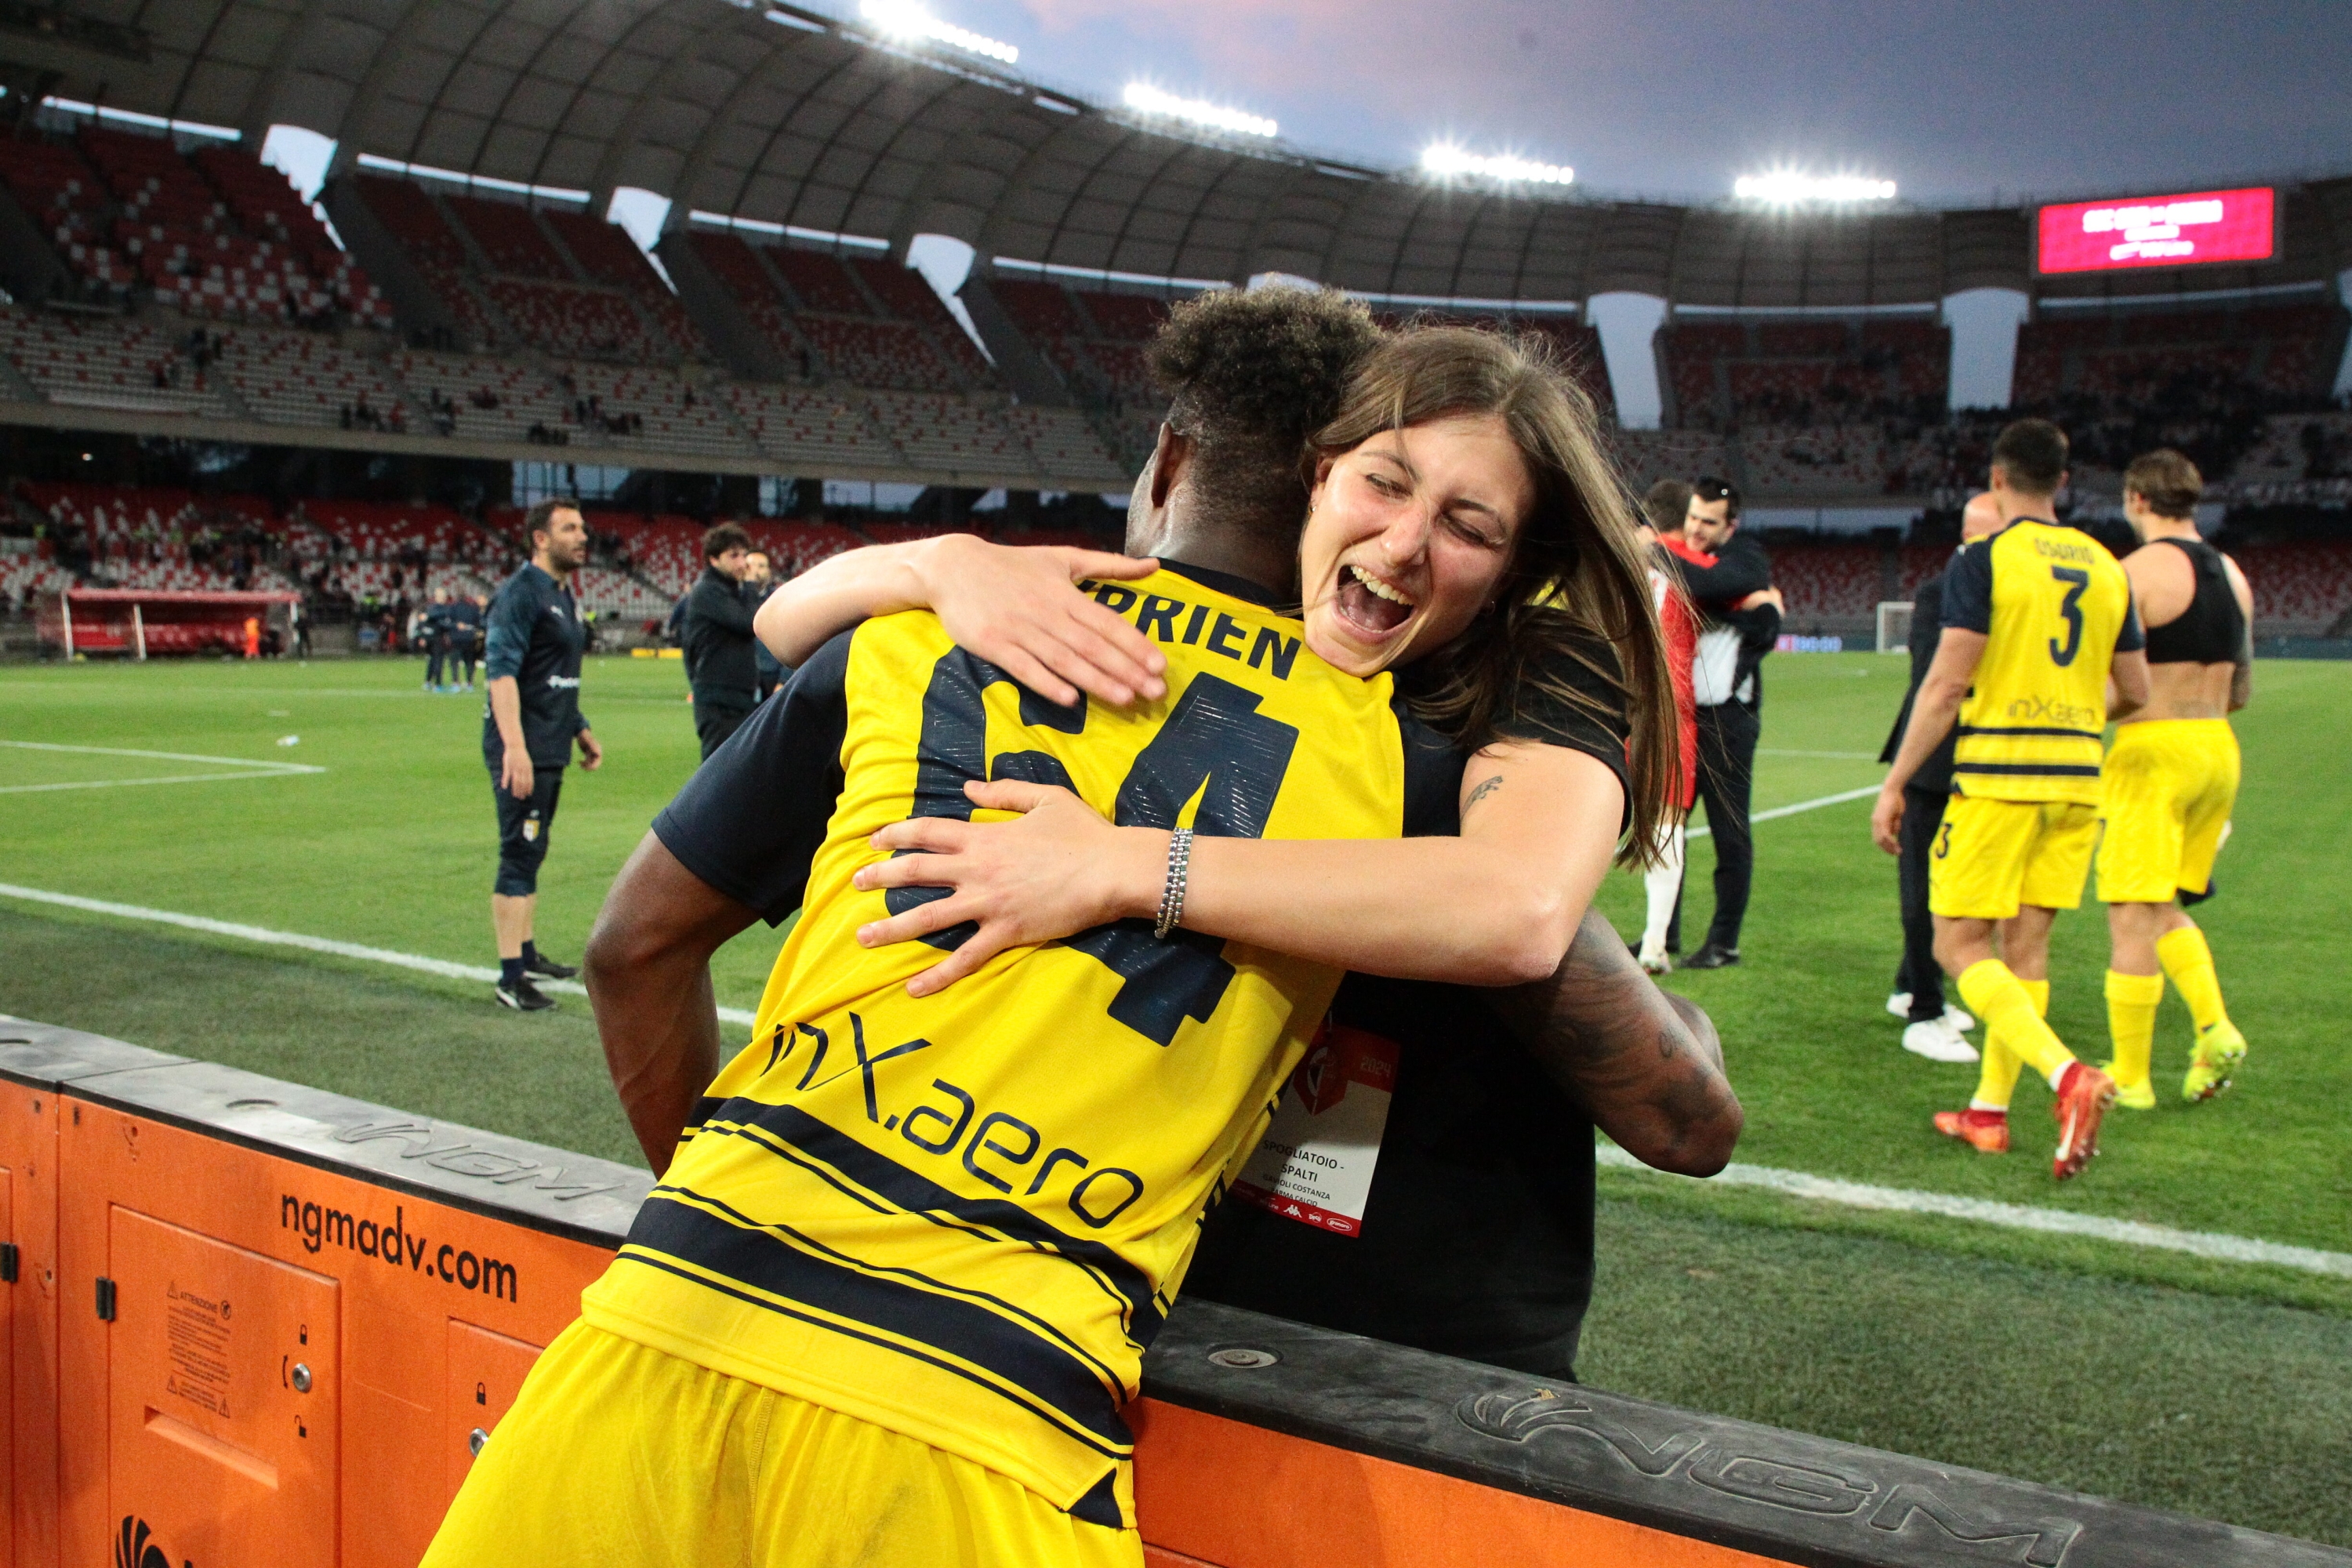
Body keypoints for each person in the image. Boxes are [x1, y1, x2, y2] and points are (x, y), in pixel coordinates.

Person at [425, 307, 1682, 1568]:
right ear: (1323, 481)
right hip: (987, 1404)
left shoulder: (917, 642)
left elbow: (630, 948)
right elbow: (1673, 1101)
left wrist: (935, 566)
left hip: (668, 1315)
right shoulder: (1400, 773)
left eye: (1463, 522)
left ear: (1168, 465)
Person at [1871, 419, 2150, 1180]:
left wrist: (1895, 782)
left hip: (1999, 779)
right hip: (2076, 782)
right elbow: (2137, 690)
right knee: (2026, 951)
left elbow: (1947, 683)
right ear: (2064, 481)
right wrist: (2074, 715)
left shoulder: (1990, 560)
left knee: (1956, 946)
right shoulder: (2107, 566)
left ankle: (2068, 1076)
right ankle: (1989, 1112)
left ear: (1997, 481)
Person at [2098, 449, 2254, 1107]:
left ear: (2137, 499)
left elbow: (2119, 687)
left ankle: (2130, 1078)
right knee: (2163, 906)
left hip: (2153, 751)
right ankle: (2215, 1028)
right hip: (2218, 746)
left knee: (2131, 914)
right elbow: (2243, 687)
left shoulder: (2134, 573)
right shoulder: (2234, 574)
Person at [1878, 492, 2002, 1063]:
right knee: (1924, 889)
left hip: (1978, 759)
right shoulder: (1945, 592)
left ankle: (1911, 988)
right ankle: (1924, 1008)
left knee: (1960, 888)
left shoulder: (1989, 589)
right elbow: (1936, 682)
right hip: (1938, 762)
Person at [483, 499, 604, 1013]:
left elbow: (550, 672)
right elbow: (502, 673)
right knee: (519, 854)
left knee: (533, 852)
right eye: (569, 528)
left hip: (552, 742)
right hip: (525, 748)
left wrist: (579, 728)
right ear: (540, 538)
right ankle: (510, 977)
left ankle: (527, 954)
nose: (582, 536)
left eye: (582, 527)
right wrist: (515, 747)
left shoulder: (562, 594)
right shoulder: (519, 595)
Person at [1662, 477, 1778, 967]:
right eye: (1692, 517)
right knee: (1669, 830)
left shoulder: (1746, 557)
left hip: (1728, 720)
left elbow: (1712, 586)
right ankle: (1660, 935)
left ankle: (1723, 942)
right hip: (1685, 715)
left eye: (1709, 522)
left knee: (1729, 832)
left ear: (1731, 527)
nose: (1696, 528)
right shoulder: (1691, 557)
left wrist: (1656, 553)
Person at [1632, 481, 1699, 975]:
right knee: (1666, 825)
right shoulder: (1696, 567)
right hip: (1673, 702)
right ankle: (1654, 943)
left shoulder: (1631, 556)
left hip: (1621, 693)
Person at [683, 521, 762, 759]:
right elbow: (750, 622)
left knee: (738, 772)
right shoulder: (708, 591)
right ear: (713, 559)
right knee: (717, 774)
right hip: (719, 699)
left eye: (744, 555)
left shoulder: (729, 590)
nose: (743, 563)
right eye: (734, 556)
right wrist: (750, 586)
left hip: (736, 695)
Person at [745, 546, 789, 699]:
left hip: (771, 676)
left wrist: (784, 680)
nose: (755, 570)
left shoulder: (780, 600)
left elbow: (789, 640)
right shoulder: (732, 600)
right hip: (742, 677)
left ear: (769, 572)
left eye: (761, 566)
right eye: (750, 566)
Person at [449, 592, 486, 691]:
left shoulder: (453, 608)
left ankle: (455, 682)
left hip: (456, 639)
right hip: (469, 638)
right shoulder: (473, 608)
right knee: (469, 661)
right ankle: (469, 683)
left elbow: (449, 622)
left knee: (455, 662)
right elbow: (480, 622)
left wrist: (455, 626)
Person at [422, 586, 454, 692]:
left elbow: (428, 619)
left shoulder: (431, 608)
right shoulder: (442, 609)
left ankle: (428, 682)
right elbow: (439, 622)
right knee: (438, 660)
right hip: (437, 638)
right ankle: (438, 684)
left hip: (431, 637)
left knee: (432, 660)